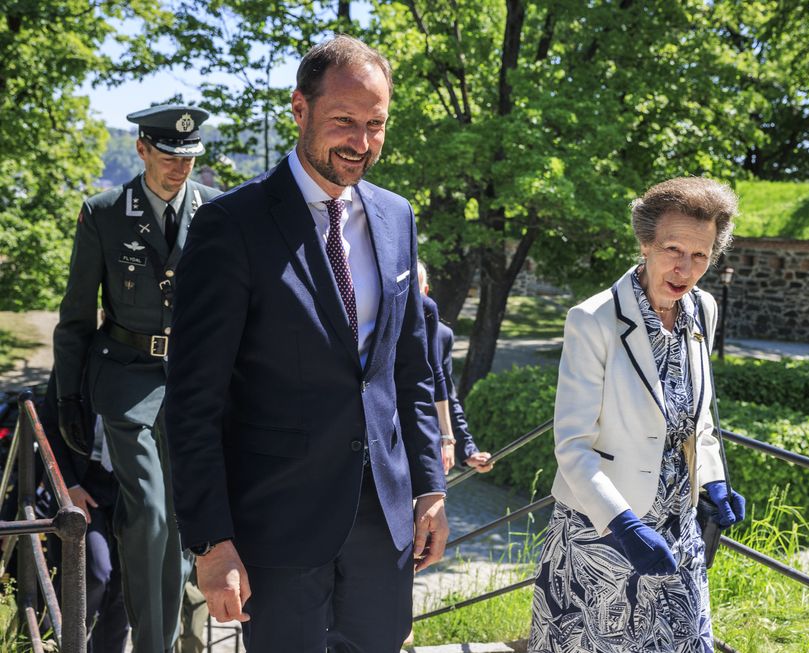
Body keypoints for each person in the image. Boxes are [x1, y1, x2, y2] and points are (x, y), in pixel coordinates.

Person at [164, 35, 449, 653]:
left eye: (376, 124)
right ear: (300, 109)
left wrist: (430, 486)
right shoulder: (230, 227)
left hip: (385, 522)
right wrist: (211, 543)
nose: (361, 142)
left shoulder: (397, 216)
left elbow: (410, 369)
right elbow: (192, 401)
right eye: (344, 121)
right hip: (277, 522)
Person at [528, 177, 747, 651]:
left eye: (701, 255)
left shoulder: (702, 310)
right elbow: (572, 446)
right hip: (600, 534)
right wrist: (624, 525)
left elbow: (697, 420)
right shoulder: (592, 320)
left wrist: (713, 482)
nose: (685, 268)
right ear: (645, 243)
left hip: (676, 534)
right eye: (672, 248)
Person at [52, 104, 221, 653]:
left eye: (190, 156)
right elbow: (76, 315)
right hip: (125, 377)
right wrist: (69, 394)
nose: (181, 167)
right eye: (169, 155)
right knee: (148, 511)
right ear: (142, 149)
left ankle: (161, 642)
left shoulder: (215, 213)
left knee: (176, 520)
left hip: (192, 381)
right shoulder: (103, 213)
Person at [39, 372, 129, 653]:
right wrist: (70, 485)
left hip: (129, 488)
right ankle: (72, 644)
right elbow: (48, 427)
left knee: (124, 588)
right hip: (83, 484)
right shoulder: (75, 361)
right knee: (96, 573)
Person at [417, 262, 492, 473]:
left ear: (426, 292)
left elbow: (446, 394)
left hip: (423, 443)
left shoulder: (442, 335)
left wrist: (468, 450)